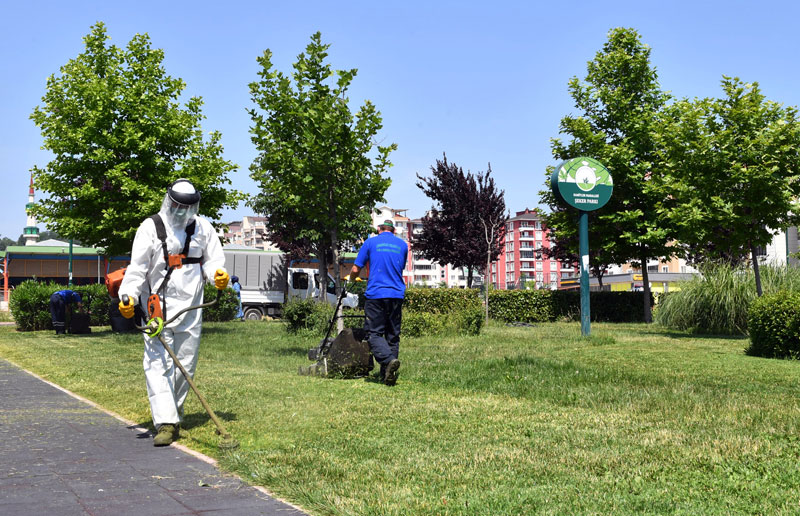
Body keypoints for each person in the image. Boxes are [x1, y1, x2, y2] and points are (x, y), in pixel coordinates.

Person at [117, 179, 229, 447]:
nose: (181, 212)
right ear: (169, 202)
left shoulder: (203, 228)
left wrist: (218, 275)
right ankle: (166, 423)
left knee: (185, 363)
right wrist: (128, 296)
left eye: (187, 207)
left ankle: (173, 413)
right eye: (177, 206)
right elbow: (137, 269)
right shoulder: (150, 227)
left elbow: (213, 261)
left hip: (191, 307)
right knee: (158, 363)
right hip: (157, 308)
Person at [348, 219, 408, 385]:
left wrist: (351, 279)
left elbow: (355, 269)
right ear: (394, 231)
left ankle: (388, 361)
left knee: (373, 333)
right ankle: (387, 375)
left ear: (379, 229)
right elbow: (400, 267)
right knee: (392, 336)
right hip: (396, 294)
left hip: (376, 294)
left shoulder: (370, 242)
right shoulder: (403, 245)